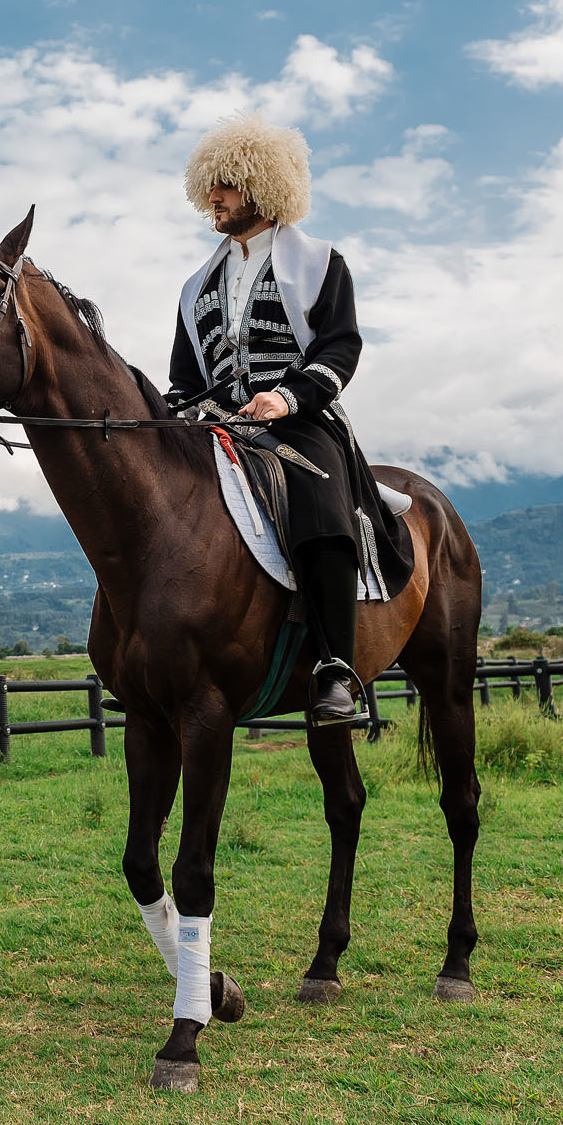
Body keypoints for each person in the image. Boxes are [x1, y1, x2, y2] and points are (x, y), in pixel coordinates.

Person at [167, 115, 414, 725]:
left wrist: (285, 398)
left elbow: (341, 347)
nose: (214, 198)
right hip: (216, 424)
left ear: (261, 184)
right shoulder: (194, 287)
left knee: (319, 498)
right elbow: (182, 375)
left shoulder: (321, 262)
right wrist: (185, 413)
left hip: (301, 420)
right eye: (210, 186)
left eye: (226, 184)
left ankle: (335, 668)